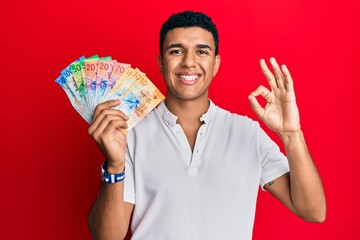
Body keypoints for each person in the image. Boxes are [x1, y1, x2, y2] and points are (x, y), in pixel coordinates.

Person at [88, 11, 326, 240]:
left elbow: (313, 211)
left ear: (216, 64)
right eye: (176, 51)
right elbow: (107, 237)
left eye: (201, 51)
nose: (189, 62)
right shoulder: (132, 134)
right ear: (161, 63)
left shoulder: (248, 133)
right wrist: (114, 165)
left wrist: (292, 135)